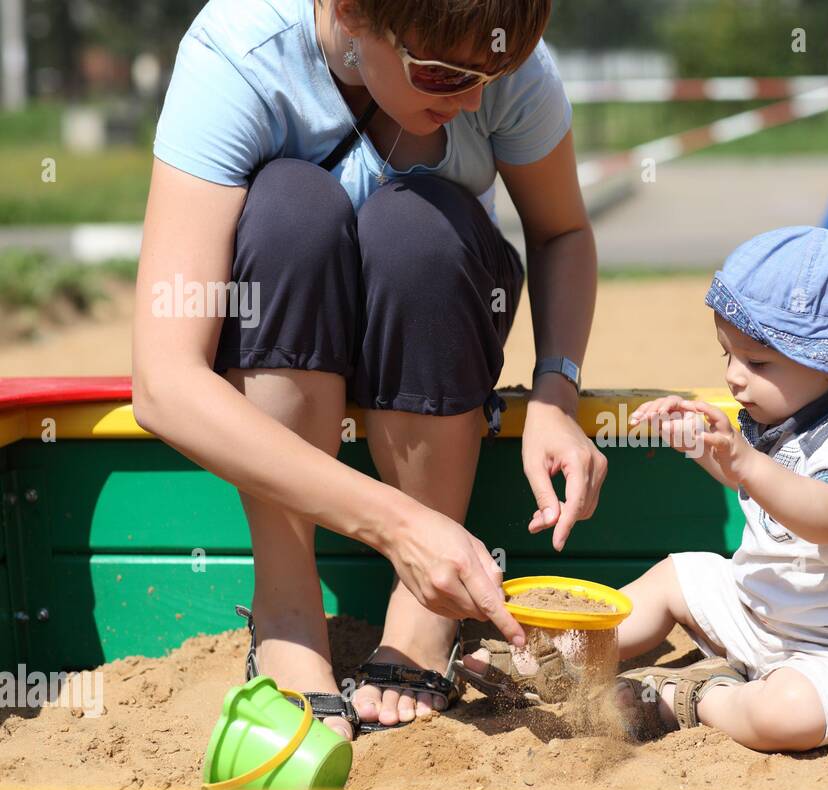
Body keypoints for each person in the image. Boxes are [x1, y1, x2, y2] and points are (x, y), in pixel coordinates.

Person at [132, 0, 606, 739]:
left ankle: (423, 616)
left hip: (426, 327)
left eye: (495, 72)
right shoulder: (238, 51)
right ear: (352, 12)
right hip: (277, 339)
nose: (476, 98)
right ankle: (287, 609)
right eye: (446, 73)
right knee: (290, 207)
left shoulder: (496, 50)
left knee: (416, 226)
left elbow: (564, 231)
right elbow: (163, 386)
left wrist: (555, 390)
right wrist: (400, 527)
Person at [613, 226, 828, 752]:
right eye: (727, 356)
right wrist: (704, 447)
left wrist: (741, 459)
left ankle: (691, 696)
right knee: (673, 578)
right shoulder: (781, 413)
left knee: (787, 717)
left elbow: (825, 517)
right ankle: (564, 655)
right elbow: (753, 488)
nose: (735, 379)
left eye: (758, 363)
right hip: (758, 610)